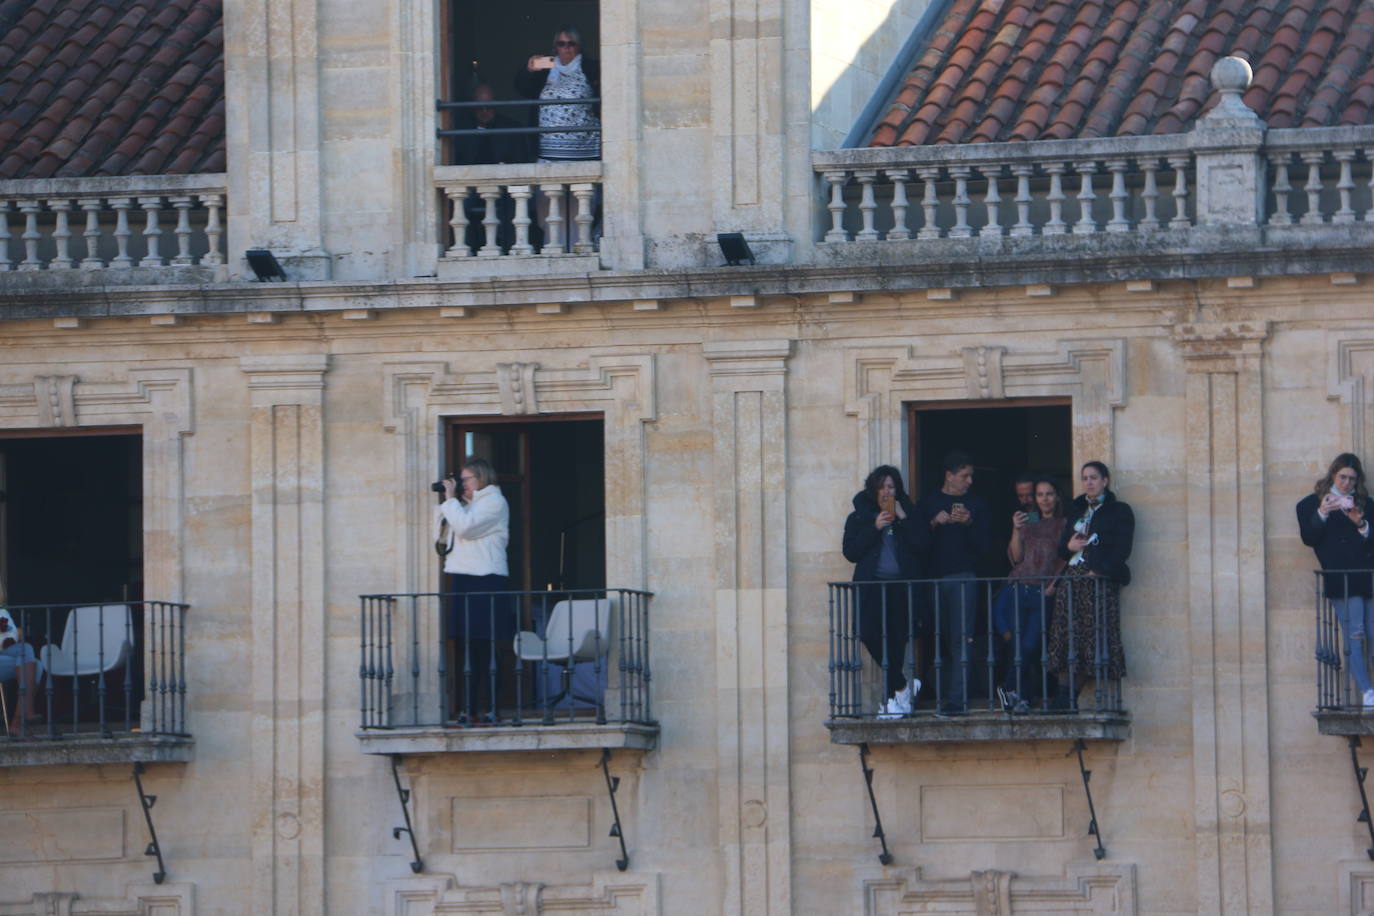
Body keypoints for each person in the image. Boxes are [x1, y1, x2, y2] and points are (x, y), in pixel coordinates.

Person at [842, 465, 930, 718]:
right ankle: (903, 686)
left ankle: (894, 702)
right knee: (869, 635)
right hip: (871, 589)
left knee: (895, 645)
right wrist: (874, 526)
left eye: (891, 487)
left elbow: (924, 546)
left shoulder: (908, 515)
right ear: (873, 490)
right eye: (882, 487)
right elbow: (851, 552)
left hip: (901, 591)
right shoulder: (859, 518)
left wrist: (905, 518)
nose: (886, 492)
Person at [1046, 461, 1134, 709]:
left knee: (1091, 638)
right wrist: (1069, 547)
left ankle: (1068, 696)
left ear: (1105, 480)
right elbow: (1062, 549)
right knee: (1067, 637)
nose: (1089, 483)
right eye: (1085, 478)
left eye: (1094, 477)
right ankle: (1064, 695)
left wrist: (1101, 570)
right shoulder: (1075, 509)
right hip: (1072, 581)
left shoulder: (1119, 511)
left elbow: (1122, 548)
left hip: (1096, 582)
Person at [435, 458, 512, 722]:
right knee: (467, 648)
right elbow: (441, 538)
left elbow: (467, 528)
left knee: (488, 646)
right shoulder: (463, 506)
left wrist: (450, 499)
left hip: (486, 578)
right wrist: (449, 504)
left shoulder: (494, 502)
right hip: (462, 578)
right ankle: (467, 709)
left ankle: (492, 707)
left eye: (465, 479)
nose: (462, 484)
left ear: (481, 478)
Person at [916, 451, 991, 715]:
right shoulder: (929, 502)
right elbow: (916, 544)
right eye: (964, 476)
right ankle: (933, 693)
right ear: (949, 476)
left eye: (971, 476)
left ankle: (957, 701)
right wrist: (934, 523)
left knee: (962, 639)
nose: (969, 481)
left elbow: (986, 548)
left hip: (964, 579)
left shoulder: (977, 505)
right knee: (938, 638)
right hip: (933, 580)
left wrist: (969, 522)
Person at [1297, 453, 1374, 707]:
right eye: (1342, 477)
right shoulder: (1309, 504)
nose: (1346, 483)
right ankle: (1367, 692)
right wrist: (1322, 513)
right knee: (1355, 634)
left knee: (1372, 633)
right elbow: (1309, 538)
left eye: (1352, 479)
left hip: (1367, 579)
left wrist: (1360, 523)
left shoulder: (1366, 504)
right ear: (1333, 474)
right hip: (1341, 580)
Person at [992, 477, 1066, 709]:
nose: (1044, 499)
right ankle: (1018, 697)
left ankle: (1007, 687)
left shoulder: (1064, 524)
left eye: (1049, 494)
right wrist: (1016, 528)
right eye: (1040, 495)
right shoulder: (1029, 521)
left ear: (1057, 497)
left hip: (1041, 591)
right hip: (1018, 586)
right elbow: (1016, 557)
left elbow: (1065, 560)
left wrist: (1053, 586)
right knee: (1016, 643)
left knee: (1030, 644)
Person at [516, 27, 601, 164]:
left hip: (584, 153)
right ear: (555, 47)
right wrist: (529, 71)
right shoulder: (545, 67)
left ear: (579, 46)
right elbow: (523, 89)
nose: (566, 48)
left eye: (571, 43)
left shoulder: (590, 67)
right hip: (549, 153)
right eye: (561, 44)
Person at [0, 584, 43, 734]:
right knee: (28, 652)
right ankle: (23, 716)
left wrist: (14, 635)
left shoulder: (2, 612)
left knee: (34, 662)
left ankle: (19, 720)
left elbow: (10, 638)